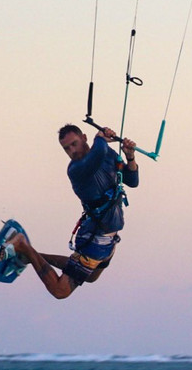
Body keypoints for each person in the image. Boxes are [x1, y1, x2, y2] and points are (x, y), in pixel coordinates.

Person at [9, 125, 140, 299]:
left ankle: (31, 255)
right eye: (66, 148)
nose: (72, 151)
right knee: (60, 291)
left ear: (84, 138)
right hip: (95, 239)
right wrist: (100, 137)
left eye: (74, 144)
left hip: (109, 240)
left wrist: (130, 157)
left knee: (91, 277)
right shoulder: (76, 169)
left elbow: (132, 181)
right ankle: (21, 245)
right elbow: (96, 155)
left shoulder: (106, 153)